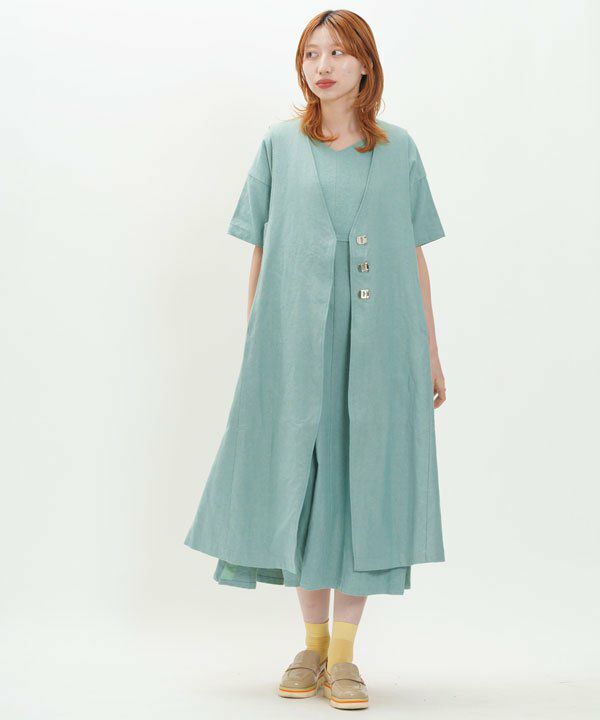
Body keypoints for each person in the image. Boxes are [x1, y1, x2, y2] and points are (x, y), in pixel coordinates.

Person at [184, 9, 447, 709]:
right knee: (300, 489)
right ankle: (313, 644)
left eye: (337, 53)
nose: (322, 66)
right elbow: (261, 251)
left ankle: (345, 657)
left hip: (382, 349)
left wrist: (431, 351)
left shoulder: (400, 149)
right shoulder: (278, 144)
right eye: (310, 53)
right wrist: (258, 348)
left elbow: (414, 255)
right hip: (295, 351)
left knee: (363, 490)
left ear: (366, 65)